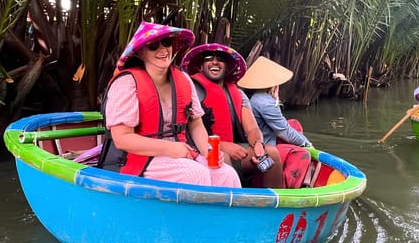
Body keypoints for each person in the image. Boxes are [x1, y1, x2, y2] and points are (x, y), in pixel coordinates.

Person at [98, 21, 241, 187]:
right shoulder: (127, 82)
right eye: (153, 45)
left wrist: (207, 151)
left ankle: (223, 214)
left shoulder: (184, 80)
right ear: (141, 53)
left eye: (166, 43)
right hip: (138, 158)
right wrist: (170, 149)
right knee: (195, 174)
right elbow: (122, 139)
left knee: (226, 174)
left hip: (181, 152)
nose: (162, 49)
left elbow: (196, 125)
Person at [181, 43, 283, 188]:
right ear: (201, 65)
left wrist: (258, 144)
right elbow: (187, 132)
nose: (214, 62)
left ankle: (274, 205)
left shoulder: (238, 94)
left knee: (272, 154)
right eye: (209, 58)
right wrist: (223, 146)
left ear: (228, 66)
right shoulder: (192, 90)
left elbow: (252, 129)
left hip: (235, 149)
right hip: (202, 149)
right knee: (223, 158)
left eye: (220, 59)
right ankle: (229, 207)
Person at [237, 56, 314, 188]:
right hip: (263, 145)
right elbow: (284, 131)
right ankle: (288, 187)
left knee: (294, 123)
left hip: (258, 140)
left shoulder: (254, 96)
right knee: (302, 153)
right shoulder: (264, 101)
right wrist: (307, 144)